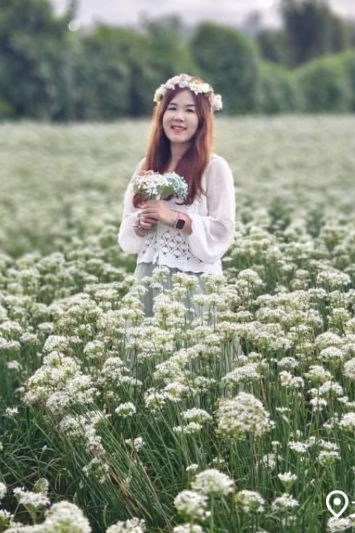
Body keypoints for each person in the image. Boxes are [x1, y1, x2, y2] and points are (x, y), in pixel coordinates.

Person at [118, 73, 238, 372]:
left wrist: (177, 219)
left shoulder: (214, 167)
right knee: (148, 369)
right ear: (161, 114)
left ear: (202, 119)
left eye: (189, 110)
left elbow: (223, 231)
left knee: (196, 370)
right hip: (149, 277)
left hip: (193, 282)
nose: (179, 117)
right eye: (172, 108)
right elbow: (127, 233)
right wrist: (142, 223)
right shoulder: (145, 167)